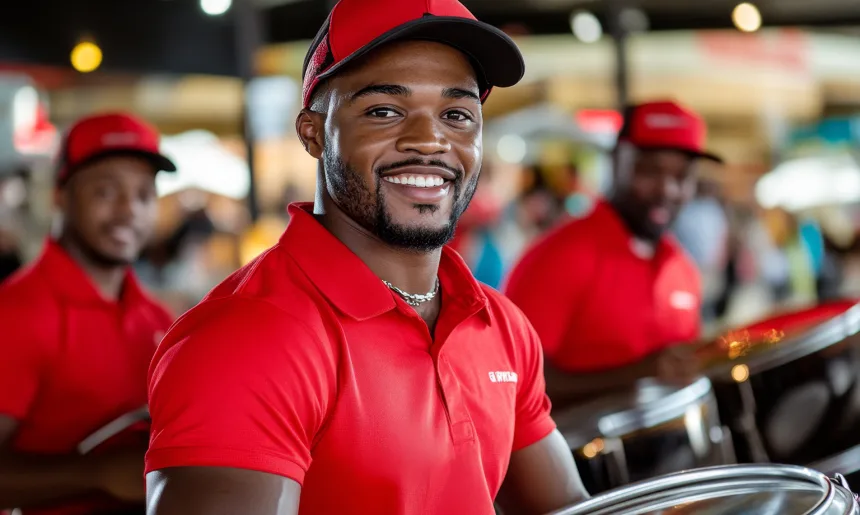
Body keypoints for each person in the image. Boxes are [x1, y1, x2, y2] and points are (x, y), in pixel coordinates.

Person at [144, 1, 588, 514]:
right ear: (313, 133)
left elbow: (566, 506)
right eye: (384, 111)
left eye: (457, 115)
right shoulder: (248, 338)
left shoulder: (500, 325)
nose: (429, 140)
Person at [0, 113, 176, 515]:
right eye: (105, 191)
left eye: (144, 194)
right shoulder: (17, 313)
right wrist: (96, 473)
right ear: (60, 196)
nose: (129, 210)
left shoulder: (157, 320)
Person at [505, 101, 723, 408]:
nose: (667, 190)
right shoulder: (560, 256)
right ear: (616, 162)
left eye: (681, 176)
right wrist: (638, 375)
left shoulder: (682, 269)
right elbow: (508, 378)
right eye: (649, 170)